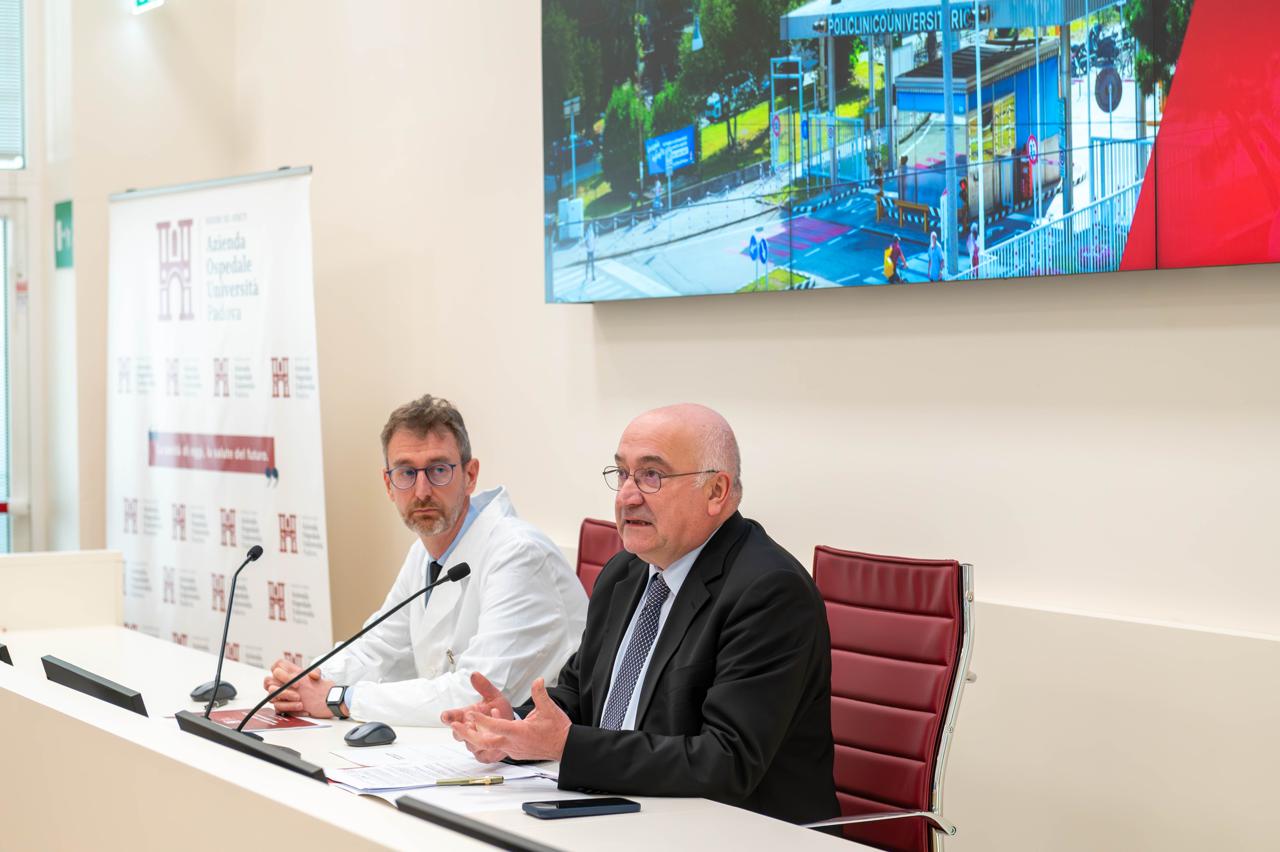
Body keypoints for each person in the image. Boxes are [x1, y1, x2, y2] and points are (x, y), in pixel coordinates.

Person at [443, 404, 839, 827]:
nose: (627, 496)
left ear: (716, 491)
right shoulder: (625, 573)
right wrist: (516, 728)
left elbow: (726, 762)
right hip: (626, 813)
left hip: (738, 832)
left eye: (652, 475)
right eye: (623, 474)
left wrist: (567, 746)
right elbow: (579, 696)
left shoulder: (768, 591)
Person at [263, 395, 587, 725]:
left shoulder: (519, 554)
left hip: (538, 750)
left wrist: (340, 698)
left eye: (438, 470)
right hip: (463, 743)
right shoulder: (425, 552)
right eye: (406, 473)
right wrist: (305, 681)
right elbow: (378, 647)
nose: (421, 491)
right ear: (388, 484)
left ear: (470, 475)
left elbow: (477, 695)